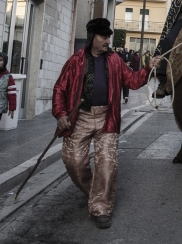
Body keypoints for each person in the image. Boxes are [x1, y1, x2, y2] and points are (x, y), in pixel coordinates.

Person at [52, 18, 161, 229]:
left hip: (107, 118)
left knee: (107, 164)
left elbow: (133, 81)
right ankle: (96, 192)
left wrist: (147, 68)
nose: (107, 41)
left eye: (109, 37)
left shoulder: (115, 60)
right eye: (103, 37)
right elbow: (60, 89)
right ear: (92, 38)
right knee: (73, 161)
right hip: (79, 118)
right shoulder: (76, 60)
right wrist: (61, 114)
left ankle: (101, 207)